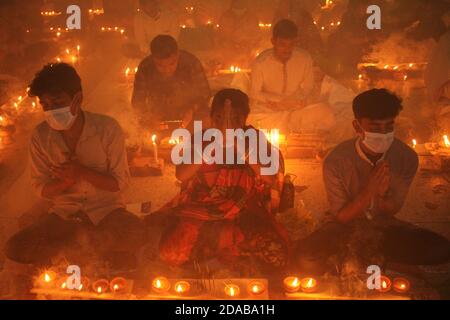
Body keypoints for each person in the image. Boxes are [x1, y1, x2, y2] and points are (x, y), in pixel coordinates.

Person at [4, 63, 145, 268]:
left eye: (58, 102)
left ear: (77, 99)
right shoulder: (41, 136)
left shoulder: (107, 128)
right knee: (14, 248)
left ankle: (72, 253)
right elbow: (41, 189)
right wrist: (64, 184)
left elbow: (119, 184)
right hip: (64, 215)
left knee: (138, 233)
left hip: (106, 212)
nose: (51, 110)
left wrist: (82, 172)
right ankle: (85, 251)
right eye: (46, 105)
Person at [295, 89, 450, 276]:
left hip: (383, 228)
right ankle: (380, 261)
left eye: (389, 126)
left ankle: (360, 259)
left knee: (441, 249)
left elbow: (392, 210)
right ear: (357, 126)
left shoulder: (406, 157)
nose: (383, 134)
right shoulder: (336, 160)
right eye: (375, 128)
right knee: (305, 258)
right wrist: (369, 192)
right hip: (344, 228)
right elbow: (342, 217)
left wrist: (381, 196)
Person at [147, 89, 290, 276]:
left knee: (276, 256)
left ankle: (215, 261)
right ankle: (224, 261)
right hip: (201, 211)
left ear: (245, 119)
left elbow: (271, 178)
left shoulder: (254, 139)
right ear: (212, 117)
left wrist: (240, 146)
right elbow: (181, 175)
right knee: (169, 253)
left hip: (244, 211)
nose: (226, 124)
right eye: (220, 117)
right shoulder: (201, 138)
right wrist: (212, 146)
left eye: (234, 119)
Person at [249, 19, 335, 133]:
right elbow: (255, 93)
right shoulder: (260, 62)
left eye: (291, 44)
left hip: (297, 107)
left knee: (325, 112)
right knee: (251, 118)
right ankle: (295, 126)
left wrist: (297, 102)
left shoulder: (304, 58)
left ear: (296, 42)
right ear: (273, 41)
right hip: (269, 109)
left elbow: (308, 87)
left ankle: (291, 125)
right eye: (282, 44)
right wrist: (279, 102)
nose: (287, 49)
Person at [132, 35, 211, 130]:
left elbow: (205, 93)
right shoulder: (145, 67)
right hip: (158, 117)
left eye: (172, 64)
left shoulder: (191, 63)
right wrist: (148, 117)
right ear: (153, 58)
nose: (167, 70)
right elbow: (137, 101)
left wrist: (192, 110)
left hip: (190, 114)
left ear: (177, 55)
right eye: (160, 66)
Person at [216, 0, 261, 65]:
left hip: (247, 56)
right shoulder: (225, 17)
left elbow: (257, 36)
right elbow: (220, 36)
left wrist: (252, 48)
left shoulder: (252, 18)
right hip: (229, 55)